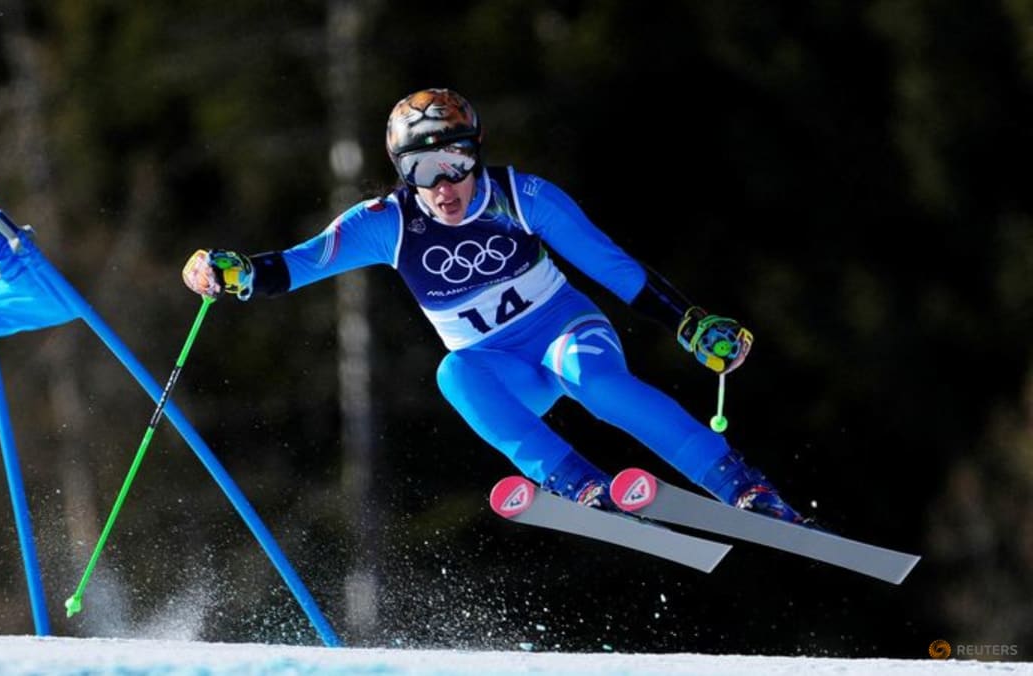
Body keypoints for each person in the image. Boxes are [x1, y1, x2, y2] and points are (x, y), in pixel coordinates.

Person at [182, 88, 806, 522]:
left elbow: (612, 266)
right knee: (454, 373)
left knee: (590, 379)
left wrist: (690, 323)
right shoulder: (385, 223)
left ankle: (740, 485)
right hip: (501, 368)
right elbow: (294, 266)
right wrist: (227, 272)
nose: (443, 186)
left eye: (455, 162)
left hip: (567, 332)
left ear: (475, 152)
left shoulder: (522, 196)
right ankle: (577, 483)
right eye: (423, 169)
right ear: (402, 171)